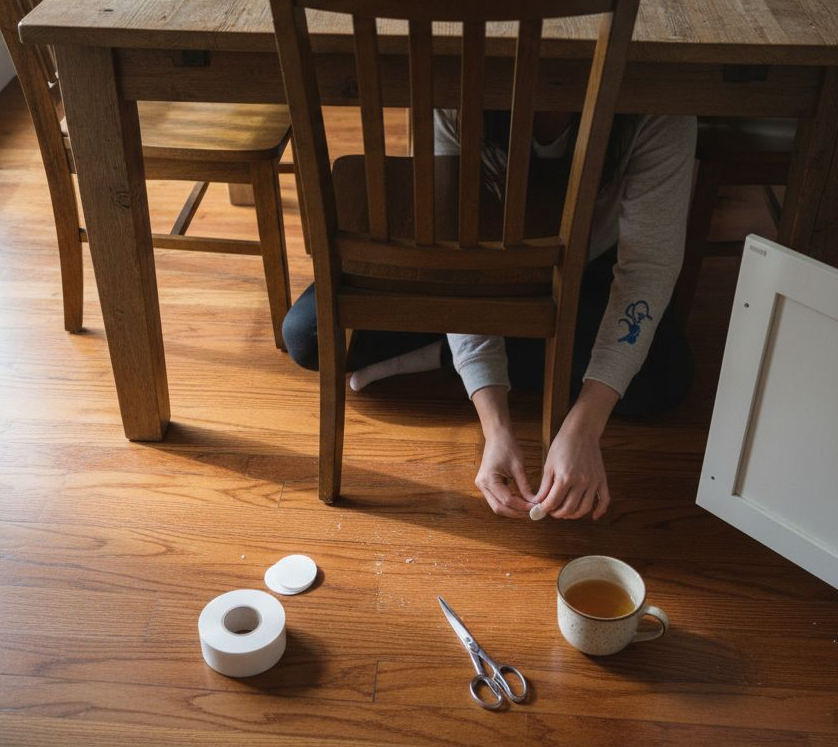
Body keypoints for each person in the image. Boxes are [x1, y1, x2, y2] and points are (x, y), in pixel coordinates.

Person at [282, 110, 697, 521]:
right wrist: (495, 426)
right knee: (311, 334)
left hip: (582, 270)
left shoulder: (657, 103)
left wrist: (585, 427)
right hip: (464, 262)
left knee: (663, 376)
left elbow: (647, 270)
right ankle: (477, 346)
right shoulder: (455, 85)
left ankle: (445, 352)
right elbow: (455, 265)